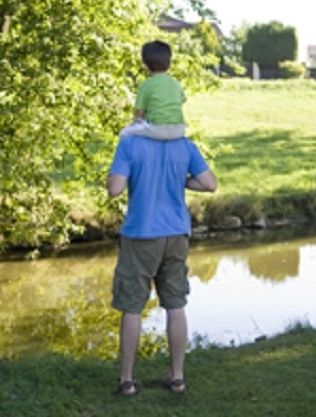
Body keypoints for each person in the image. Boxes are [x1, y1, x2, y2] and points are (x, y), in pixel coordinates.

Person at [106, 134, 217, 396]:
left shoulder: (131, 143)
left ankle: (127, 380)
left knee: (132, 306)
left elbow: (115, 189)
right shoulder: (185, 145)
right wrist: (180, 180)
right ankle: (177, 378)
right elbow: (209, 184)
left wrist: (122, 175)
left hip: (141, 234)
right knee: (176, 304)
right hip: (177, 234)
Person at [119, 40, 187, 140]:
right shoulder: (176, 83)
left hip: (157, 129)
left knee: (124, 133)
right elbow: (180, 102)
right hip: (179, 130)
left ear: (145, 64)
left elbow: (139, 115)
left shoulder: (145, 85)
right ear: (169, 64)